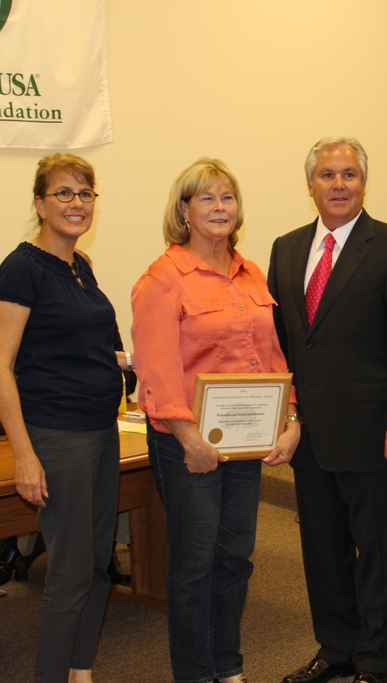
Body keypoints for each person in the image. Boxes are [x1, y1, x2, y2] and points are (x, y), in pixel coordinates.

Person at [266, 137, 387, 683]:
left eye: (350, 175)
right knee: (322, 549)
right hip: (308, 434)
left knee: (379, 555)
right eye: (327, 175)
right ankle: (336, 647)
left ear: (364, 183)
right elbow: (284, 344)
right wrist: (283, 417)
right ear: (310, 184)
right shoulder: (286, 248)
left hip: (374, 432)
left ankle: (373, 663)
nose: (338, 184)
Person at [131, 158, 300, 683]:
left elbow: (273, 356)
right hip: (189, 446)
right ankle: (194, 672)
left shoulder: (251, 274)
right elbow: (155, 371)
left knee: (235, 559)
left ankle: (228, 665)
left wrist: (290, 419)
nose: (219, 208)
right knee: (193, 565)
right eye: (206, 198)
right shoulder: (162, 279)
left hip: (246, 444)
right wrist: (188, 438)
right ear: (184, 210)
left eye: (227, 197)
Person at [0, 153, 129, 683]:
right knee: (69, 572)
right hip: (57, 435)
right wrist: (24, 454)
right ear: (40, 203)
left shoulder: (80, 266)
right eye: (64, 193)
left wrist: (123, 360)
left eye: (86, 194)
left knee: (96, 563)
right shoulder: (22, 267)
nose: (77, 204)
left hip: (100, 429)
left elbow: (74, 342)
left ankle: (80, 670)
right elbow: (0, 367)